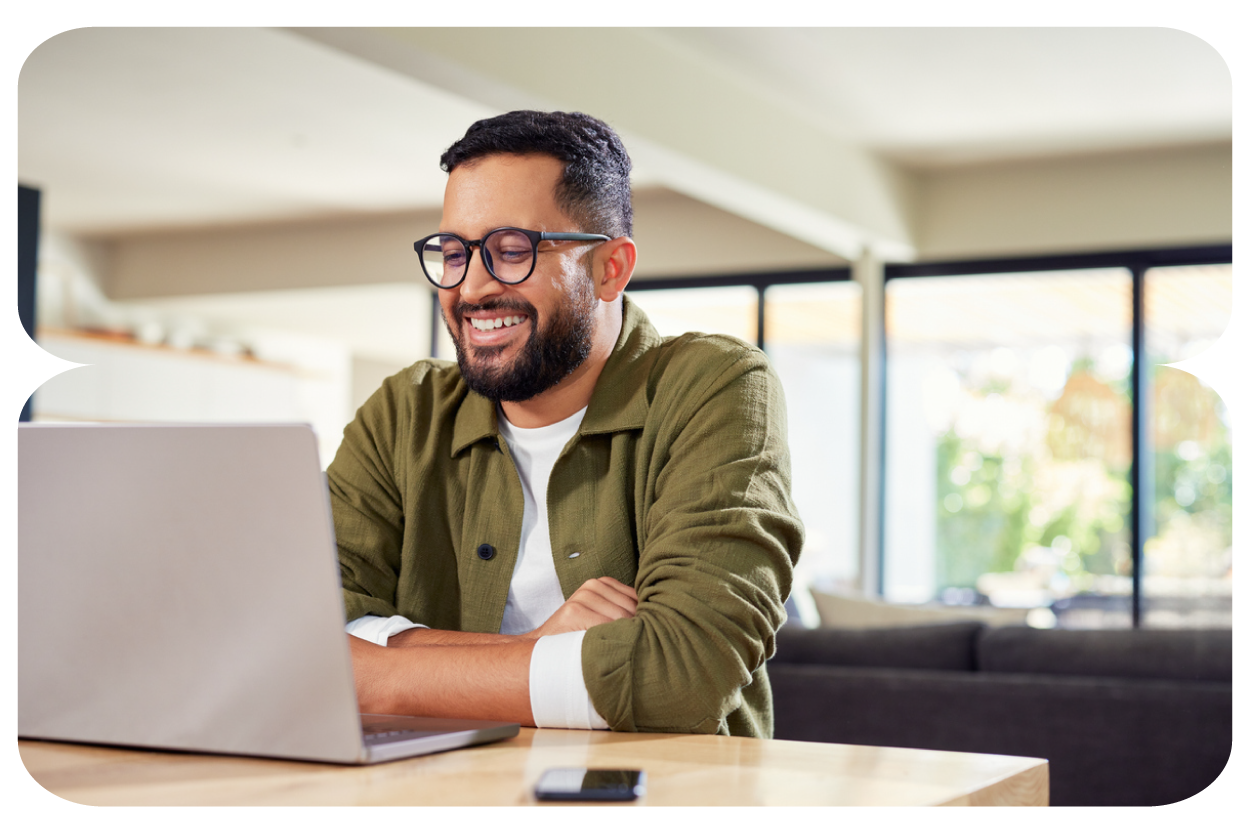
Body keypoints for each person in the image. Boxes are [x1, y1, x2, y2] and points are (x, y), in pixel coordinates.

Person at [330, 110, 802, 737]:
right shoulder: (403, 412)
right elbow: (301, 629)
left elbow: (683, 672)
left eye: (512, 251)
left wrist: (377, 676)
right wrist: (543, 654)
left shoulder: (714, 387)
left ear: (610, 268)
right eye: (453, 252)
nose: (470, 288)